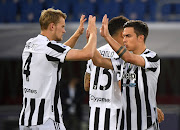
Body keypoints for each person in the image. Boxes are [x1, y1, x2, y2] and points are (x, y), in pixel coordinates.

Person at [19, 8, 97, 130]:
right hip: (46, 119)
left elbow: (58, 52)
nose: (64, 30)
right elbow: (88, 54)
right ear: (52, 26)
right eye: (62, 26)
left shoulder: (31, 43)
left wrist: (77, 34)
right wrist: (93, 33)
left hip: (26, 119)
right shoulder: (48, 48)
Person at [92, 14, 163, 130]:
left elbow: (129, 58)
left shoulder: (152, 57)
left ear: (141, 37)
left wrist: (107, 36)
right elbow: (98, 60)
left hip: (146, 124)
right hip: (125, 123)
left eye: (128, 36)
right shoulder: (122, 60)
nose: (124, 40)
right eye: (123, 36)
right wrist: (91, 37)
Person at [84, 16, 129, 130]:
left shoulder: (95, 53)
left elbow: (86, 85)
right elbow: (125, 88)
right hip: (114, 112)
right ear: (122, 34)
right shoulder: (125, 56)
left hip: (95, 111)